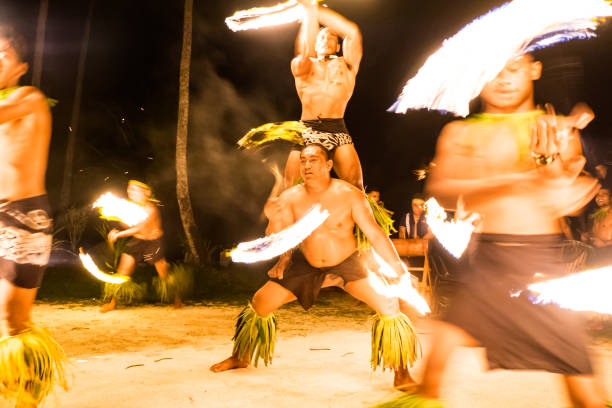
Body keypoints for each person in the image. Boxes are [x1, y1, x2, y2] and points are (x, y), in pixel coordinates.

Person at [379, 54, 607, 407]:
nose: (503, 79)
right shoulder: (460, 133)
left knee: (585, 392)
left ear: (535, 69)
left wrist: (556, 174)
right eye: (492, 71)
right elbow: (440, 190)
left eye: (513, 68)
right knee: (433, 376)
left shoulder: (554, 129)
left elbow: (565, 205)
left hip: (541, 267)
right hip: (487, 265)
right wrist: (521, 178)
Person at [211, 144, 419, 390]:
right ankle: (241, 356)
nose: (307, 165)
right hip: (307, 264)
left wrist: (398, 268)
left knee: (390, 306)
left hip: (347, 263)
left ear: (329, 165)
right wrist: (277, 235)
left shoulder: (349, 194)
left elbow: (375, 234)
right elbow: (280, 238)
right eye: (303, 161)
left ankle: (402, 374)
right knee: (260, 301)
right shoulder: (291, 197)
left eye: (314, 160)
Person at [0, 26, 68, 407]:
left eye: (2, 55)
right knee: (7, 318)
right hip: (0, 217)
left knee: (12, 319)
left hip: (25, 219)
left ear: (20, 68)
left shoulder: (30, 98)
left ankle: (28, 395)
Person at [283, 0, 364, 190]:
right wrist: (310, 12)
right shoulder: (303, 66)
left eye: (331, 38)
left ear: (338, 46)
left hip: (337, 128)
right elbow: (305, 50)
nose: (326, 40)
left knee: (356, 186)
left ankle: (357, 218)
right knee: (290, 188)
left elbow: (352, 32)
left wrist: (314, 8)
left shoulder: (348, 66)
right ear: (314, 44)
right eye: (321, 38)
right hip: (307, 128)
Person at [100, 180, 183, 312]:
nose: (130, 191)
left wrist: (119, 235)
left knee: (163, 274)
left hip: (153, 243)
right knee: (122, 273)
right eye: (129, 189)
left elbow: (139, 228)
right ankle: (113, 303)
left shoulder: (151, 209)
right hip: (137, 242)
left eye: (134, 189)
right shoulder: (133, 207)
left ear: (146, 193)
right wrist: (119, 221)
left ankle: (177, 299)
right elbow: (130, 225)